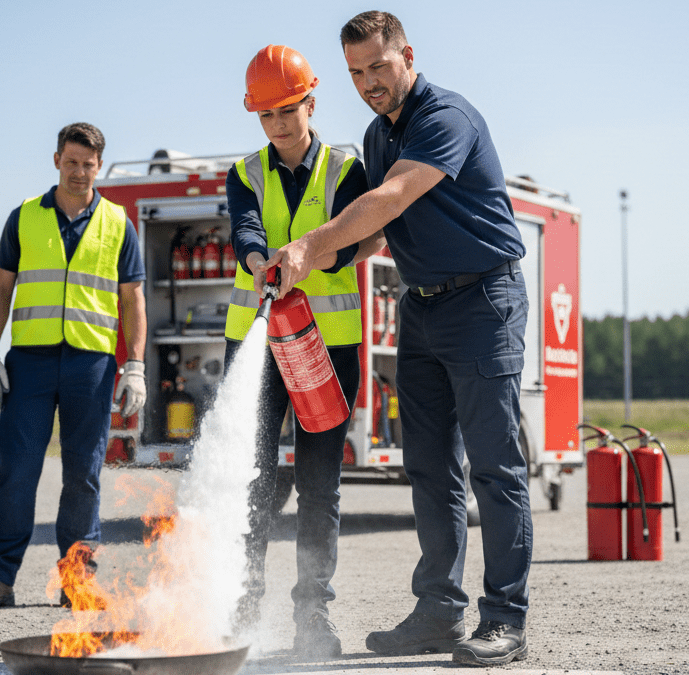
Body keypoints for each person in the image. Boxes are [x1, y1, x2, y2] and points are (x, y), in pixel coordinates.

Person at [262, 11, 532, 667]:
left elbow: (390, 197)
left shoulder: (446, 117)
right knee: (431, 467)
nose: (368, 83)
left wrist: (311, 242)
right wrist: (321, 260)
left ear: (407, 54)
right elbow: (380, 234)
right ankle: (439, 613)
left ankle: (504, 620)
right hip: (422, 306)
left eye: (378, 67)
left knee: (495, 467)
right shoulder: (377, 135)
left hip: (482, 299)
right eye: (356, 73)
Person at [224, 45, 383, 660]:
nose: (279, 125)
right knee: (255, 481)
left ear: (311, 103)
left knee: (320, 485)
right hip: (259, 346)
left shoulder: (346, 168)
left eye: (288, 110)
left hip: (329, 348)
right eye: (266, 115)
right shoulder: (246, 173)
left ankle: (312, 616)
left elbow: (361, 234)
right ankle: (242, 610)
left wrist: (312, 257)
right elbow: (245, 230)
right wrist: (261, 260)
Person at [0, 122, 147, 611]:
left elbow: (133, 299)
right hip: (31, 362)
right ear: (56, 161)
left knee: (83, 475)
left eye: (88, 164)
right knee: (17, 472)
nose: (79, 172)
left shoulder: (118, 222)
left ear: (98, 166)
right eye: (71, 162)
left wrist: (135, 366)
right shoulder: (24, 217)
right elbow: (1, 288)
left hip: (91, 365)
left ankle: (78, 582)